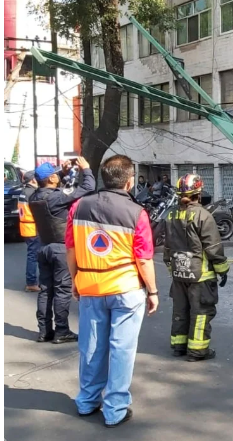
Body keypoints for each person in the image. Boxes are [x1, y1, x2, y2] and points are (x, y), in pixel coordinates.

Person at [66, 155, 158, 427]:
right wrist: (152, 291)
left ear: (103, 178)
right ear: (129, 182)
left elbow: (71, 249)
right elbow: (143, 258)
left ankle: (86, 401)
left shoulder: (78, 207)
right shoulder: (136, 213)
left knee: (91, 346)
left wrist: (75, 280)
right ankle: (115, 409)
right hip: (126, 287)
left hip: (91, 285)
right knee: (122, 349)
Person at [29, 158, 96, 343]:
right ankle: (61, 330)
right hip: (60, 249)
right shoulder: (56, 197)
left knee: (45, 290)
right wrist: (86, 169)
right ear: (51, 178)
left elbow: (48, 185)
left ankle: (44, 331)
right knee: (62, 290)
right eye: (55, 174)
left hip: (43, 247)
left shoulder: (34, 197)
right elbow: (88, 187)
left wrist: (63, 173)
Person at [164, 174, 229, 362]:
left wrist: (172, 268)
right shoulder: (203, 215)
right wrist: (222, 270)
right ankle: (197, 351)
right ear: (198, 193)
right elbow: (213, 247)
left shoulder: (171, 214)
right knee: (201, 312)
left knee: (180, 311)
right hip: (200, 276)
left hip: (178, 273)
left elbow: (167, 245)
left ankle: (179, 346)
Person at [18, 171, 40, 292]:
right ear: (33, 180)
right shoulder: (32, 193)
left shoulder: (24, 192)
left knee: (32, 254)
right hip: (33, 228)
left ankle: (32, 281)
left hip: (26, 227)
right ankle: (31, 282)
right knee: (33, 255)